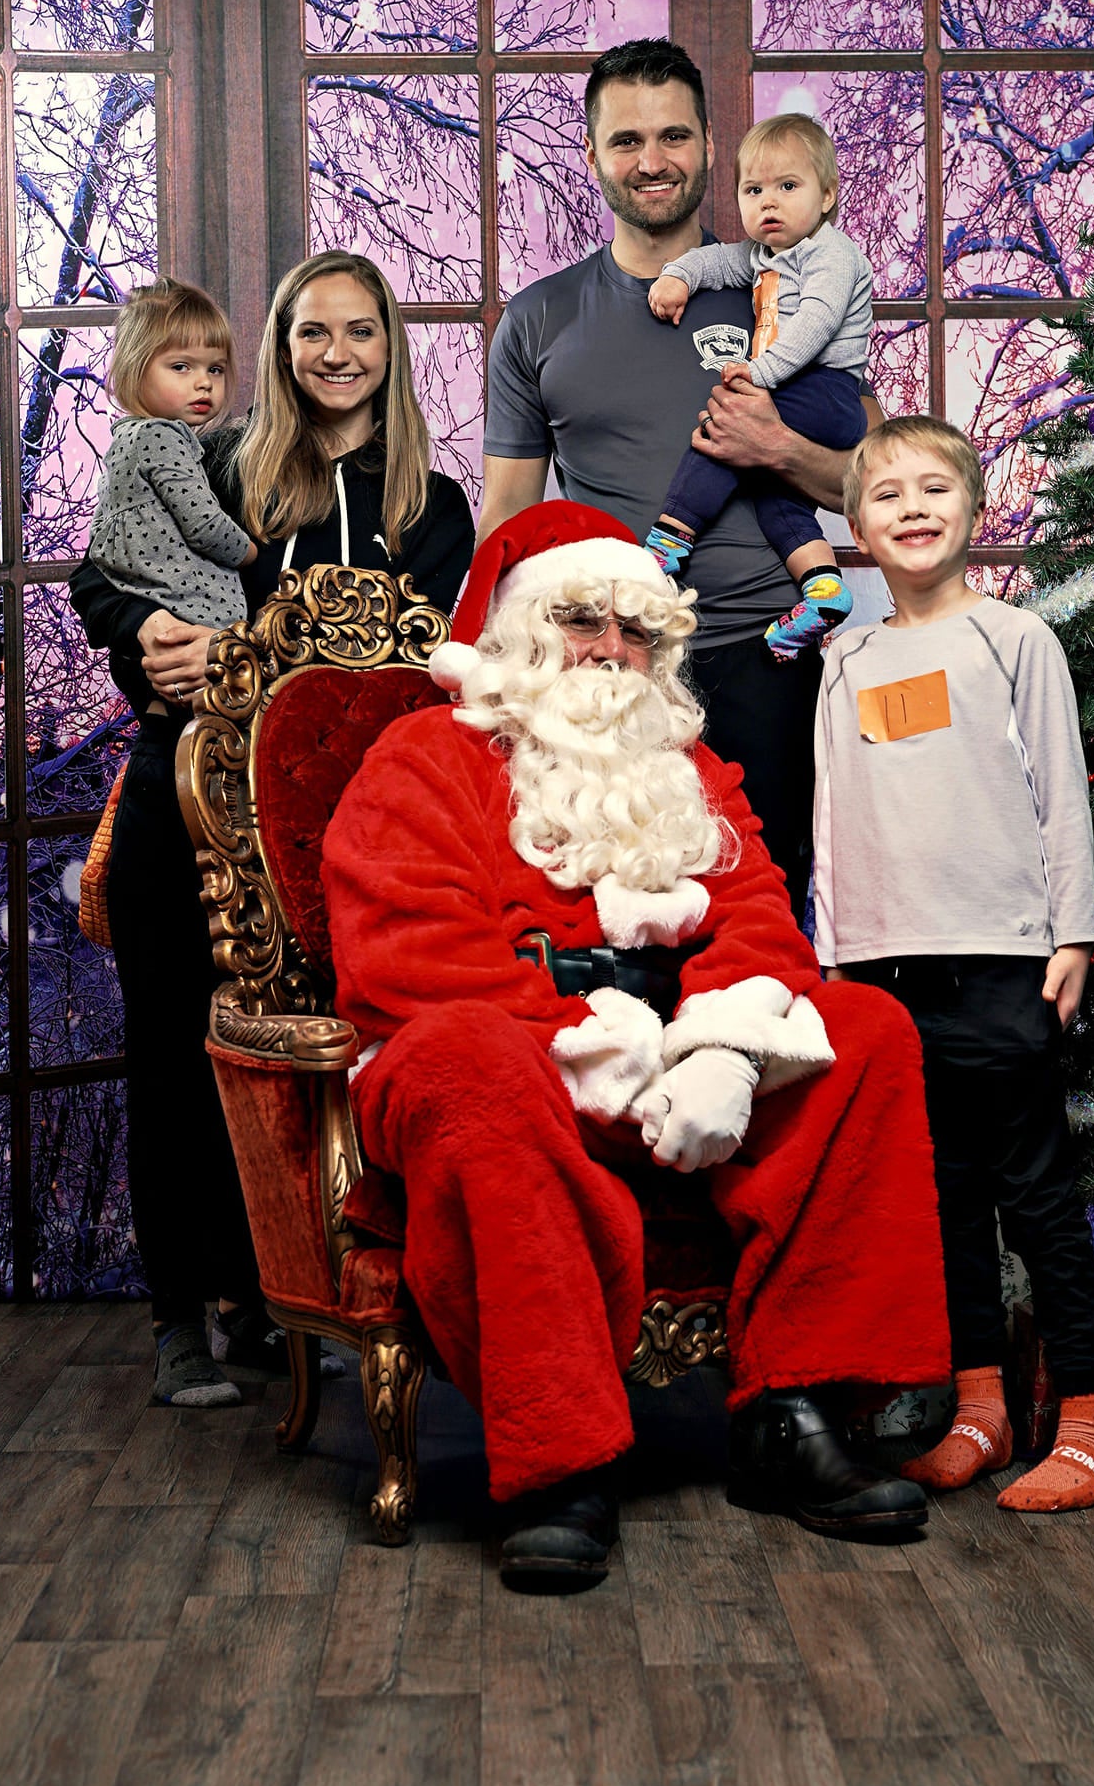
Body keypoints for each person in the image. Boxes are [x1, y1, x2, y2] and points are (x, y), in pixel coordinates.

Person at [322, 500, 951, 1592]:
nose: (611, 651)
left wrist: (722, 1047)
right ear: (518, 633)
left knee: (867, 1030)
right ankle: (557, 1461)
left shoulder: (686, 764)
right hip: (511, 1054)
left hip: (678, 1055)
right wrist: (594, 1046)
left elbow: (754, 908)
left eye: (638, 631)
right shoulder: (425, 754)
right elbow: (405, 955)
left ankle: (792, 1407)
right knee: (466, 1056)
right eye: (580, 620)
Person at [69, 251, 473, 1408]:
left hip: (357, 828)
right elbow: (106, 572)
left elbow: (426, 669)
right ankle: (179, 1314)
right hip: (190, 799)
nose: (335, 353)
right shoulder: (214, 464)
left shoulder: (428, 507)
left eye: (360, 331)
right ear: (279, 349)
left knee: (328, 1062)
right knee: (177, 1050)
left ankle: (290, 1294)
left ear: (391, 347)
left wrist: (265, 656)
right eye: (311, 332)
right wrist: (148, 631)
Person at [480, 38, 877, 919]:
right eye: (626, 141)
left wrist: (775, 448)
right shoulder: (539, 318)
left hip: (763, 656)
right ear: (590, 155)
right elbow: (504, 515)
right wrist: (495, 671)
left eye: (672, 136)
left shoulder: (785, 287)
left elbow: (874, 481)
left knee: (764, 918)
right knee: (611, 919)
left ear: (707, 145)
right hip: (605, 670)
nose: (651, 161)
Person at [813, 416, 1094, 1513]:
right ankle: (981, 1406)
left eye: (934, 486)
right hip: (887, 972)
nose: (911, 506)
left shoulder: (1016, 639)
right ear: (856, 527)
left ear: (976, 510)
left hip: (1005, 957)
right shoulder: (846, 655)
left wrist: (1074, 932)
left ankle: (1088, 1415)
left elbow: (1062, 796)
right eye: (886, 492)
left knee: (1034, 1190)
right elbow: (834, 815)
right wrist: (831, 957)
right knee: (943, 1196)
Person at [646, 112, 871, 661]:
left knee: (725, 425)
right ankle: (822, 587)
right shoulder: (760, 256)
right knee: (771, 488)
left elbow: (816, 322)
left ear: (825, 197)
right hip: (800, 387)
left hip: (827, 388)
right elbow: (714, 261)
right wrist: (678, 276)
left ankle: (668, 543)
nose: (768, 202)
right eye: (754, 190)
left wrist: (760, 374)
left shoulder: (831, 254)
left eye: (787, 187)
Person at [86, 279, 256, 628]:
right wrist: (251, 553)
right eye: (181, 367)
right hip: (191, 611)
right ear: (135, 367)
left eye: (215, 368)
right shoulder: (161, 438)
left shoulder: (127, 438)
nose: (204, 382)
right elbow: (204, 525)